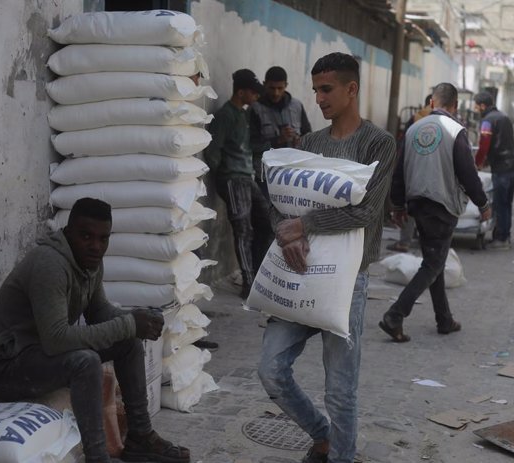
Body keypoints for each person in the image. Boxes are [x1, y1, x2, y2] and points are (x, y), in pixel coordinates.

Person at [257, 53, 397, 463]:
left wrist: (305, 225)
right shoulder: (312, 143)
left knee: (340, 388)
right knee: (270, 369)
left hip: (347, 281)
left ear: (351, 89)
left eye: (327, 89)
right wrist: (288, 234)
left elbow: (367, 212)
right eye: (315, 89)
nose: (317, 98)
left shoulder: (379, 144)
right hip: (299, 273)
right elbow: (280, 201)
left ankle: (341, 455)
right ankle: (322, 434)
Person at [0, 198, 189, 463]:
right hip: (4, 366)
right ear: (68, 232)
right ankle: (97, 456)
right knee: (84, 362)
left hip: (36, 353)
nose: (95, 246)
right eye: (86, 236)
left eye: (103, 238)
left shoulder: (89, 262)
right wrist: (128, 323)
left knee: (129, 341)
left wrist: (137, 321)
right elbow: (56, 339)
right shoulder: (50, 263)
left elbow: (99, 312)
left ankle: (140, 436)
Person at [378, 83, 491, 343]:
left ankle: (444, 319)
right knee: (432, 263)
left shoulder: (413, 129)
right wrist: (483, 205)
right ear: (456, 106)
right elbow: (468, 173)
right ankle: (395, 315)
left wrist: (396, 205)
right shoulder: (455, 131)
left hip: (417, 203)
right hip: (442, 205)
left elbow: (399, 169)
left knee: (435, 261)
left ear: (431, 102)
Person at [205, 69, 274, 299]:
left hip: (247, 177)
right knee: (243, 230)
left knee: (268, 221)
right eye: (253, 93)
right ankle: (249, 281)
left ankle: (260, 274)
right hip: (234, 179)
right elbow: (213, 151)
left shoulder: (243, 115)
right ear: (242, 91)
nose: (256, 97)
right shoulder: (226, 115)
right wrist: (223, 176)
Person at [249, 66, 312, 195]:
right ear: (264, 84)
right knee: (265, 213)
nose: (276, 93)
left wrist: (300, 142)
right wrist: (278, 140)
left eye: (280, 88)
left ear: (286, 85)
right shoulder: (254, 109)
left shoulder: (297, 106)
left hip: (293, 175)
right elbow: (250, 145)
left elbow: (309, 135)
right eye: (272, 88)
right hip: (265, 176)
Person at [386, 94, 433, 253]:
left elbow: (403, 144)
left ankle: (405, 241)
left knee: (411, 204)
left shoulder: (417, 118)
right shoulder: (447, 121)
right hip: (434, 171)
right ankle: (426, 241)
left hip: (414, 167)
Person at [473, 91, 514, 250]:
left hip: (501, 168)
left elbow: (484, 144)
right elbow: (502, 143)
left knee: (499, 204)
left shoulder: (487, 121)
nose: (475, 109)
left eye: (476, 106)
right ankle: (505, 235)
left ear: (483, 106)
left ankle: (501, 239)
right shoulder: (504, 117)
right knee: (507, 203)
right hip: (513, 166)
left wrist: (477, 163)